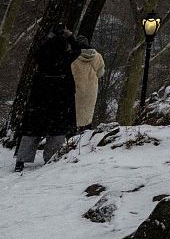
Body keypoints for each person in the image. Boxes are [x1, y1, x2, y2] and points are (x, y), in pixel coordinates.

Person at [13, 25, 80, 172]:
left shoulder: (42, 57)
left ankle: (21, 160)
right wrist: (69, 36)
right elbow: (78, 50)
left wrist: (49, 38)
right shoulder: (65, 58)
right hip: (60, 98)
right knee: (56, 130)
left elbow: (37, 51)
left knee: (32, 130)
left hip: (40, 97)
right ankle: (51, 158)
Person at [71, 39, 105, 132]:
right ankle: (86, 135)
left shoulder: (73, 56)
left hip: (75, 90)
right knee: (87, 116)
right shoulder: (98, 56)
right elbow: (100, 73)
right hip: (91, 91)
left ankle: (71, 140)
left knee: (73, 116)